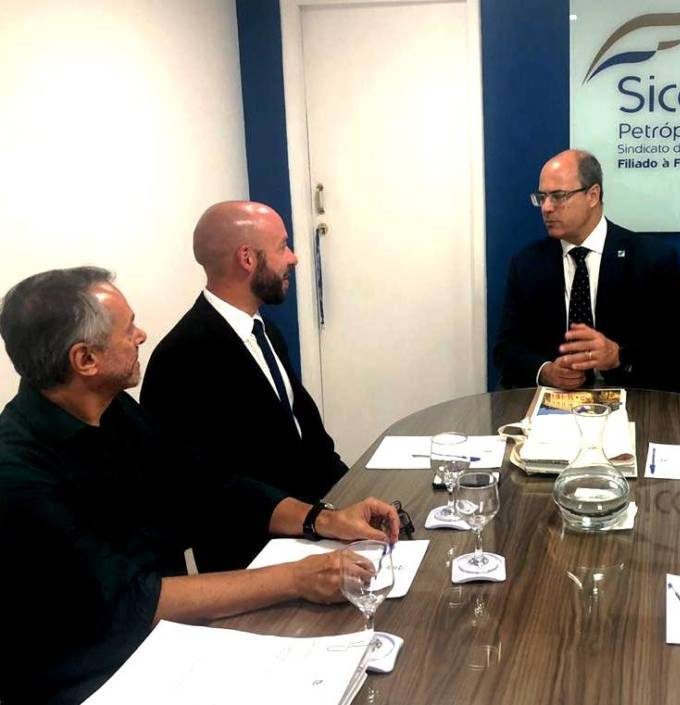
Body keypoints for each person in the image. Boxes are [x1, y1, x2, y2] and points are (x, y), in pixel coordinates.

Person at [0, 267, 399, 705]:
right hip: (93, 679)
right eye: (128, 328)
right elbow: (131, 601)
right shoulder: (17, 472)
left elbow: (208, 485)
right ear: (85, 360)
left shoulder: (115, 412)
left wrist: (323, 520)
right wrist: (299, 578)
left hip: (170, 644)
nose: (141, 335)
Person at [141, 201, 349, 571]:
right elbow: (208, 487)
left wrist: (354, 495)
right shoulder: (181, 358)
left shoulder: (265, 332)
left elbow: (307, 439)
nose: (294, 258)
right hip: (254, 561)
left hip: (313, 527)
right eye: (283, 246)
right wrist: (320, 520)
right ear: (247, 258)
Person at [494, 149, 680, 392]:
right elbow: (506, 348)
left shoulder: (650, 260)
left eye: (558, 196)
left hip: (635, 397)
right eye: (542, 197)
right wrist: (545, 371)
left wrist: (618, 357)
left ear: (593, 195)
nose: (546, 207)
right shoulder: (527, 264)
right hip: (555, 400)